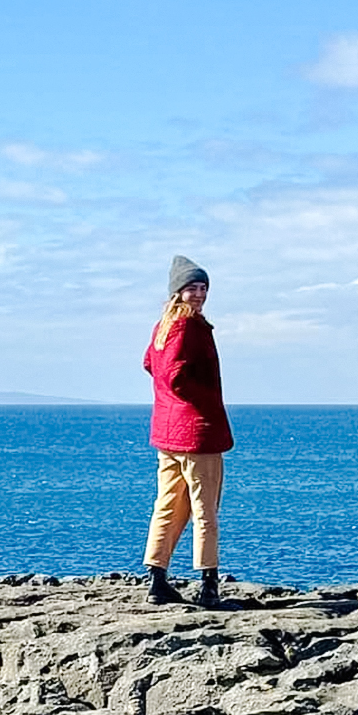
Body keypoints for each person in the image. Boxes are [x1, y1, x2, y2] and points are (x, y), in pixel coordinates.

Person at [141, 255, 235, 607]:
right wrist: (204, 401)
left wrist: (171, 399)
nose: (199, 294)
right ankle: (208, 583)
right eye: (192, 288)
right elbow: (177, 376)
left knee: (167, 504)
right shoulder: (190, 327)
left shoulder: (163, 326)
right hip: (196, 432)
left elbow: (150, 364)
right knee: (205, 508)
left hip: (167, 432)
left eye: (203, 287)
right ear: (177, 292)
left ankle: (157, 578)